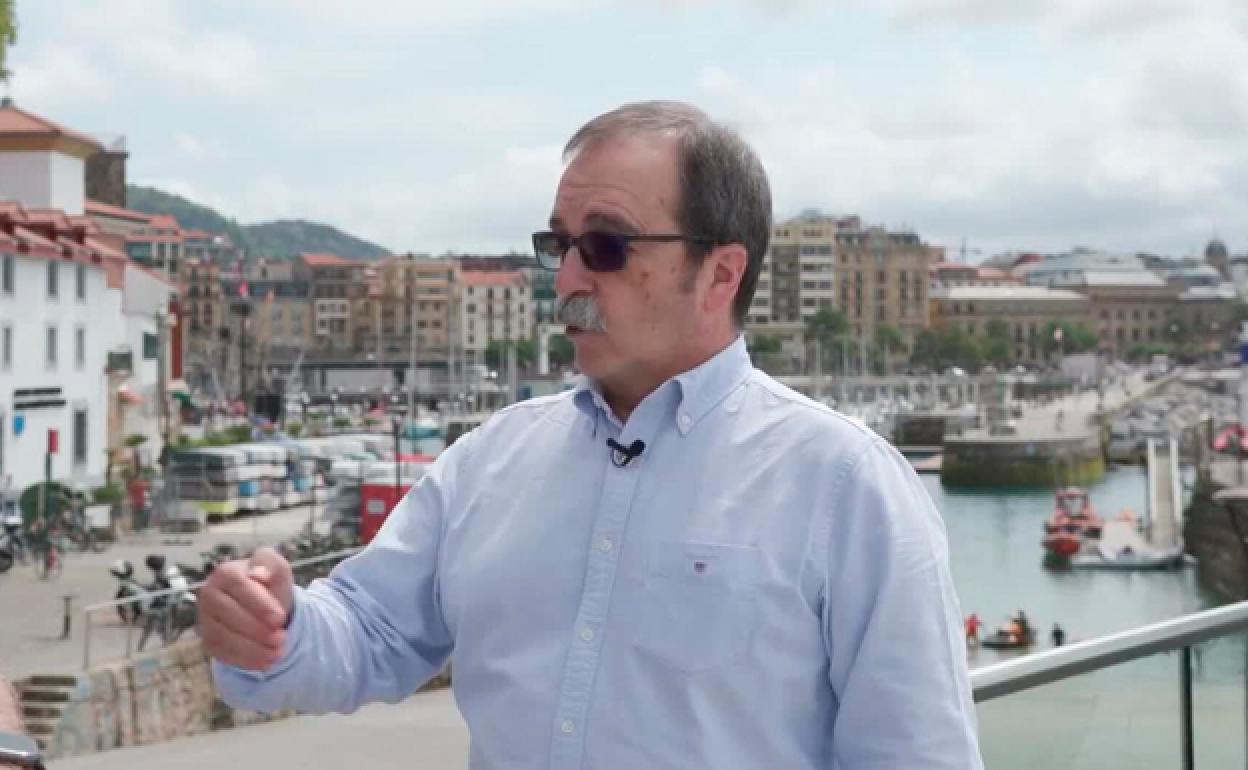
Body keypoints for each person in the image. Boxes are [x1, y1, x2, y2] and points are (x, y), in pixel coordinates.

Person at [203, 101, 983, 769]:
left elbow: (916, 755)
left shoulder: (845, 484)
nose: (569, 280)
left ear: (721, 272)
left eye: (607, 246)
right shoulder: (491, 461)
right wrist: (272, 626)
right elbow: (370, 629)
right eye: (560, 246)